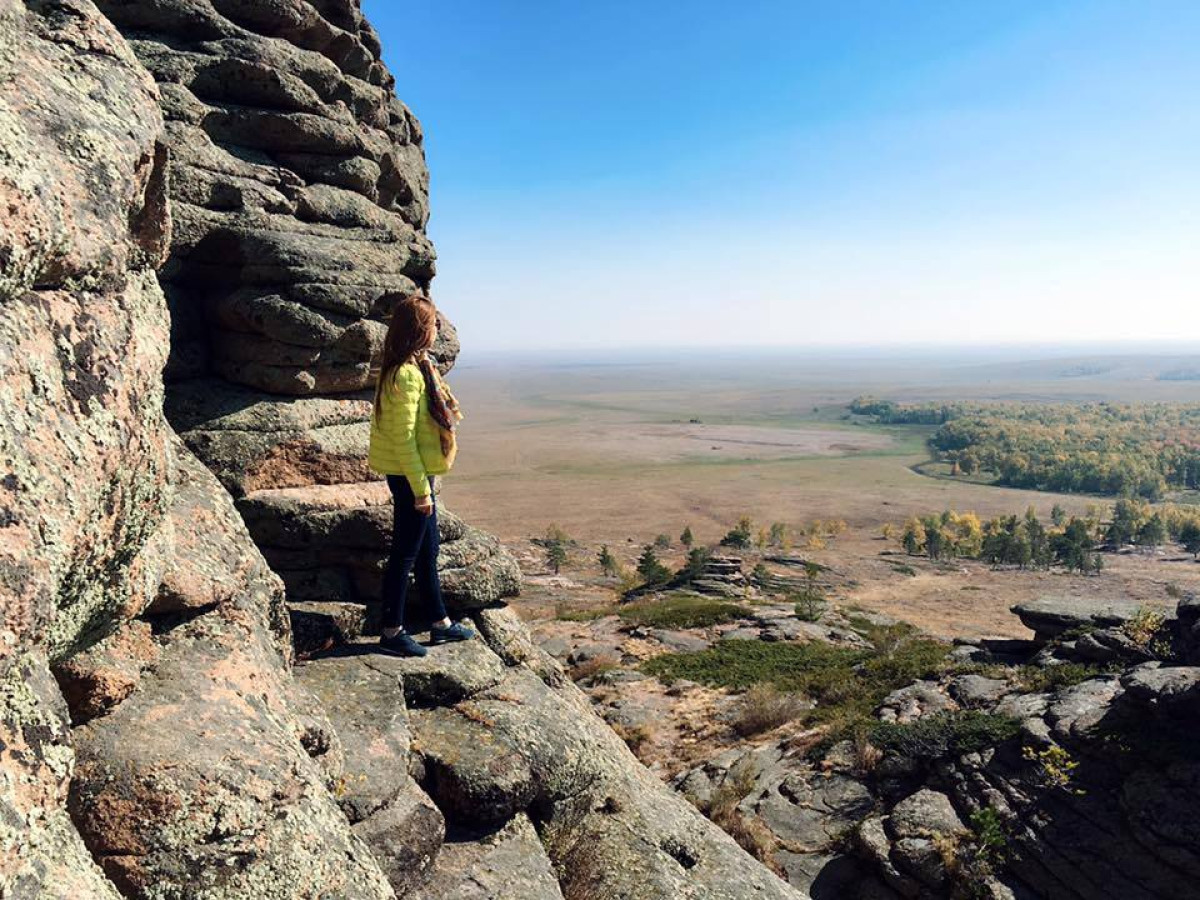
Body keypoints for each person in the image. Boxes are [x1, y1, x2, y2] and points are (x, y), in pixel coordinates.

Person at [367, 293, 474, 657]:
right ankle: (392, 631)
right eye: (432, 326)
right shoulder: (407, 376)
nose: (436, 332)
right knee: (405, 555)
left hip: (415, 474)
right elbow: (403, 438)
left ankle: (439, 622)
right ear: (418, 331)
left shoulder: (412, 367)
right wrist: (420, 491)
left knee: (428, 550)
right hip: (408, 476)